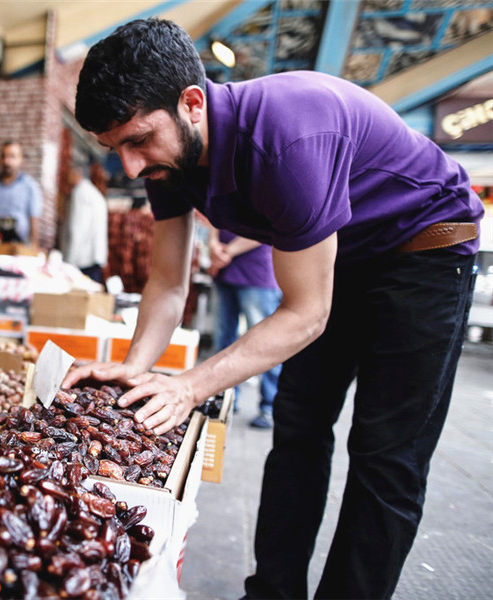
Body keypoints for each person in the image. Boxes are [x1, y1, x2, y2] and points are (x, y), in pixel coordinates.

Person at [65, 18, 482, 599]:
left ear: (191, 103)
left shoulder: (287, 137)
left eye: (137, 140)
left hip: (424, 249)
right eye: (116, 150)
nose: (131, 168)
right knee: (298, 431)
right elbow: (166, 280)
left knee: (386, 455)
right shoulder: (169, 159)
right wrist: (137, 364)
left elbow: (307, 314)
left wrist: (187, 386)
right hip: (340, 256)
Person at [206, 227, 282, 428]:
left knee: (267, 343)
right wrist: (213, 244)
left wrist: (228, 251)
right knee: (224, 340)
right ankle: (227, 399)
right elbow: (214, 218)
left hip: (255, 272)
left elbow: (269, 225)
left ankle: (269, 406)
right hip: (224, 269)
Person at [62, 159, 108, 283]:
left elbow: (76, 228)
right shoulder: (95, 193)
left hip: (83, 260)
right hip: (95, 258)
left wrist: (68, 262)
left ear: (76, 173)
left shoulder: (80, 193)